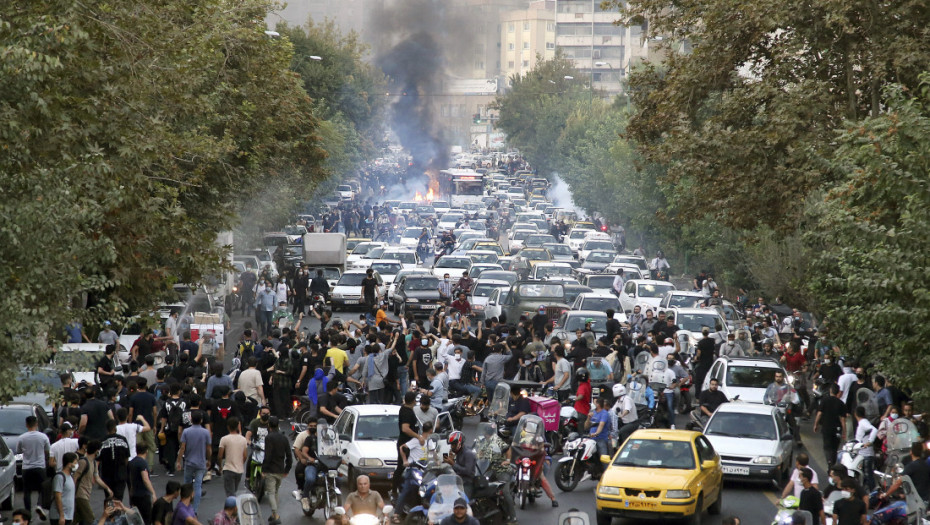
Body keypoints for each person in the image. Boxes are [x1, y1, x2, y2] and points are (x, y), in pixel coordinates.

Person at [472, 423, 516, 524]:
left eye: (484, 432)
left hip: (501, 470)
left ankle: (513, 517)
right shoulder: (481, 440)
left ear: (487, 433)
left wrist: (508, 460)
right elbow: (475, 451)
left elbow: (507, 449)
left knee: (505, 492)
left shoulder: (497, 441)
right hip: (488, 470)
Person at [176, 412, 211, 513]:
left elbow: (182, 447)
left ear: (191, 420)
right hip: (201, 462)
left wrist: (178, 461)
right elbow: (208, 448)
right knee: (198, 485)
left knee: (187, 483)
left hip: (189, 462)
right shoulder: (205, 432)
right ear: (201, 420)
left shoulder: (186, 431)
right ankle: (194, 509)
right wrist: (209, 460)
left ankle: (185, 506)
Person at [19, 415, 50, 518]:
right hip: (40, 466)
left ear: (26, 425)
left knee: (27, 491)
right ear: (36, 424)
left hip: (26, 467)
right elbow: (47, 451)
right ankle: (39, 505)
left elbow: (19, 451)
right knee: (43, 488)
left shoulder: (22, 438)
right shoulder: (43, 437)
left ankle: (28, 515)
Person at [262, 416, 292, 525]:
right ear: (278, 425)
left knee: (270, 492)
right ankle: (274, 513)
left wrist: (264, 469)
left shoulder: (269, 438)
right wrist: (287, 469)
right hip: (280, 469)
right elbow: (289, 455)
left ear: (268, 425)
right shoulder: (284, 438)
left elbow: (268, 455)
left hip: (271, 470)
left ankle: (275, 514)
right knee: (275, 492)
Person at [74, 440, 112, 525]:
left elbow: (97, 478)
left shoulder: (94, 463)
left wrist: (107, 488)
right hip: (80, 495)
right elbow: (75, 478)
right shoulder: (83, 462)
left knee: (75, 518)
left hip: (86, 495)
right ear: (96, 451)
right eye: (99, 449)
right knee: (91, 519)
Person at [393, 392, 422, 496]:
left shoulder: (406, 409)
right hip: (405, 443)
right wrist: (418, 436)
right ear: (414, 401)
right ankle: (394, 491)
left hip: (410, 443)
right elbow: (405, 428)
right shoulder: (407, 412)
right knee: (401, 467)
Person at [814, 384, 847, 468]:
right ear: (838, 392)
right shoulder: (841, 403)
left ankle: (829, 462)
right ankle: (832, 463)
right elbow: (843, 420)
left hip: (826, 427)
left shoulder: (824, 400)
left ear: (830, 391)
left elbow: (819, 414)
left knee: (827, 447)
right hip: (837, 429)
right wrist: (844, 432)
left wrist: (816, 424)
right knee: (834, 448)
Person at [99, 419, 130, 502]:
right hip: (120, 473)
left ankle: (110, 513)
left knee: (109, 497)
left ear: (106, 429)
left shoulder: (101, 441)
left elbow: (98, 460)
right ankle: (118, 513)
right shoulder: (123, 439)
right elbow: (127, 458)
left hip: (107, 474)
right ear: (115, 428)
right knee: (119, 499)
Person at [217, 417, 248, 498]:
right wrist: (240, 463)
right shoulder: (243, 439)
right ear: (238, 426)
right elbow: (245, 456)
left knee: (230, 494)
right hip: (239, 470)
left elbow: (220, 456)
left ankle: (232, 509)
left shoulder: (224, 439)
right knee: (234, 491)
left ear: (228, 427)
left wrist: (220, 466)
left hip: (228, 469)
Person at [128, 443, 156, 525]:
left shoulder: (132, 462)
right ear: (146, 451)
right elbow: (145, 479)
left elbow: (131, 479)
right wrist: (153, 493)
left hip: (134, 494)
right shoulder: (142, 463)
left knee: (137, 519)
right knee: (146, 519)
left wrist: (131, 493)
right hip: (143, 495)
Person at [444, 431, 476, 497]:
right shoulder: (459, 453)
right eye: (451, 445)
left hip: (467, 483)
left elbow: (467, 471)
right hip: (458, 482)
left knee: (463, 501)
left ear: (459, 443)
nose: (452, 447)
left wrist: (453, 463)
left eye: (453, 444)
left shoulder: (468, 454)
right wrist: (450, 462)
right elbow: (458, 470)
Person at [852, 406, 878, 489]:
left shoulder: (863, 423)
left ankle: (873, 492)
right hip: (862, 454)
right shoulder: (862, 423)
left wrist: (870, 441)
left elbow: (874, 430)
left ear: (855, 414)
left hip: (866, 454)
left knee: (868, 476)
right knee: (865, 476)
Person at [51, 452, 77, 525]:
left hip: (68, 516)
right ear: (69, 464)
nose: (76, 465)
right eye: (75, 463)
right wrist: (62, 516)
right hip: (59, 516)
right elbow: (57, 496)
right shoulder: (60, 477)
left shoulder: (70, 477)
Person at [587, 397, 612, 471]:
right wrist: (588, 418)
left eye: (595, 403)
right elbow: (586, 426)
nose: (593, 404)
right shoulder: (593, 413)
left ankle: (606, 473)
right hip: (591, 439)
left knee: (603, 458)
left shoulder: (604, 414)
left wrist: (596, 433)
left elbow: (601, 425)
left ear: (598, 404)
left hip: (600, 439)